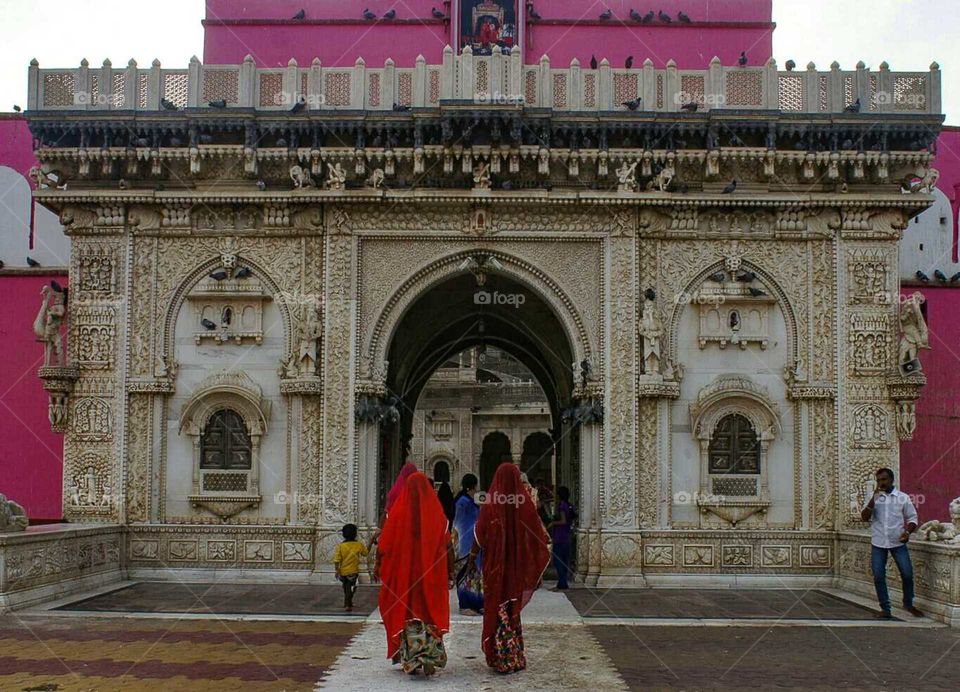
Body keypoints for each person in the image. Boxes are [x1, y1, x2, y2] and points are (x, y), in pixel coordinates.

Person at [469, 463, 550, 674]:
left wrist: (472, 557)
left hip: (495, 567)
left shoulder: (490, 504)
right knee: (511, 607)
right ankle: (514, 655)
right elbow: (537, 536)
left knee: (497, 605)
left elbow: (479, 534)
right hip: (515, 567)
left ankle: (502, 657)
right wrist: (533, 567)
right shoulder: (523, 505)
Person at [373, 472, 455, 675]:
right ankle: (429, 655)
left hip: (405, 577)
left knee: (407, 612)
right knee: (429, 612)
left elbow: (384, 546)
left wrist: (379, 566)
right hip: (430, 576)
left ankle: (411, 658)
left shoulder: (398, 515)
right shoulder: (437, 516)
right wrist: (450, 571)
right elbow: (448, 546)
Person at [860, 467, 923, 619]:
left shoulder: (902, 497)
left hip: (898, 542)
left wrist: (907, 532)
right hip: (879, 542)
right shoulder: (873, 497)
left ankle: (908, 603)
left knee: (907, 574)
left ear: (891, 480)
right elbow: (864, 517)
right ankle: (885, 609)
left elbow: (913, 518)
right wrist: (873, 499)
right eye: (879, 480)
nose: (881, 483)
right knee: (879, 576)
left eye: (884, 479)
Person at [452, 473, 483, 615]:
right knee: (464, 574)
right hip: (465, 542)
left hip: (474, 541)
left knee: (475, 574)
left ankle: (476, 603)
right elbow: (457, 523)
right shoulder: (462, 502)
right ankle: (464, 605)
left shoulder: (471, 501)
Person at [333, 523, 369, 612]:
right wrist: (371, 542)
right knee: (350, 587)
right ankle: (348, 603)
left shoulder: (341, 546)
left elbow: (337, 559)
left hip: (343, 571)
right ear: (355, 534)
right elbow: (365, 553)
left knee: (345, 587)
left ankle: (348, 602)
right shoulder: (358, 545)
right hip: (353, 571)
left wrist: (337, 570)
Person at [547, 486, 575, 590]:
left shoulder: (562, 505)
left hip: (560, 536)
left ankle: (562, 582)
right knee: (564, 559)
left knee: (558, 560)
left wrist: (553, 523)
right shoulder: (569, 505)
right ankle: (562, 582)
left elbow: (563, 521)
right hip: (566, 535)